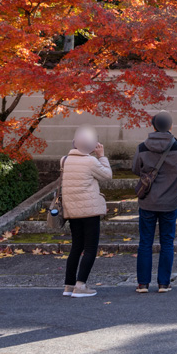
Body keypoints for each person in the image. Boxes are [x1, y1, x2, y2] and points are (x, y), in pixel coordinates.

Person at [131, 111, 177, 294]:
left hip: (147, 201)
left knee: (145, 242)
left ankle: (142, 284)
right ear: (170, 126)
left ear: (153, 126)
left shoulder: (142, 147)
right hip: (170, 201)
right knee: (167, 242)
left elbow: (135, 169)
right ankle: (164, 283)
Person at [61, 126, 112, 298]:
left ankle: (69, 285)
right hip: (90, 211)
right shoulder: (91, 161)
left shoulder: (64, 160)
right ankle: (81, 285)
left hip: (72, 211)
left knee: (76, 247)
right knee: (90, 248)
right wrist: (102, 156)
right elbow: (107, 175)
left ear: (75, 142)